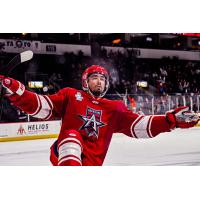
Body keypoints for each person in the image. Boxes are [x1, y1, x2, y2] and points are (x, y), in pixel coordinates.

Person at [0, 65, 199, 166]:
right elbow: (41, 106)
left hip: (93, 162)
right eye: (94, 78)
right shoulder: (71, 95)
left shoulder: (114, 108)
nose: (99, 82)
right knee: (71, 135)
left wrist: (169, 121)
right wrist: (15, 90)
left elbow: (139, 125)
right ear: (85, 82)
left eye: (102, 79)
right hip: (65, 155)